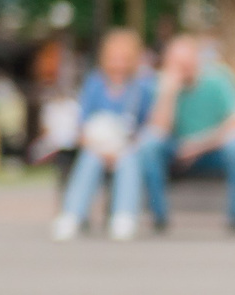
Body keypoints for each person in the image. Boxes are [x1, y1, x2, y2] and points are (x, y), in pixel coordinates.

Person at [141, 34, 235, 233]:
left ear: (197, 60)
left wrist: (197, 146)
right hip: (174, 151)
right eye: (178, 63)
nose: (184, 68)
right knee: (149, 144)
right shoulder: (159, 85)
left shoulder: (217, 79)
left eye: (187, 62)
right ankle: (159, 217)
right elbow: (158, 131)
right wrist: (168, 93)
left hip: (211, 150)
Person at [51, 28, 156, 241]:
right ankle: (72, 215)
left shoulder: (142, 88)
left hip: (127, 147)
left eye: (124, 59)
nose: (118, 64)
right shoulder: (95, 84)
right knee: (90, 159)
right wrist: (96, 146)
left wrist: (124, 147)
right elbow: (81, 124)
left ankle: (124, 216)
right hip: (96, 145)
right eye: (114, 58)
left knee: (129, 161)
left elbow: (147, 126)